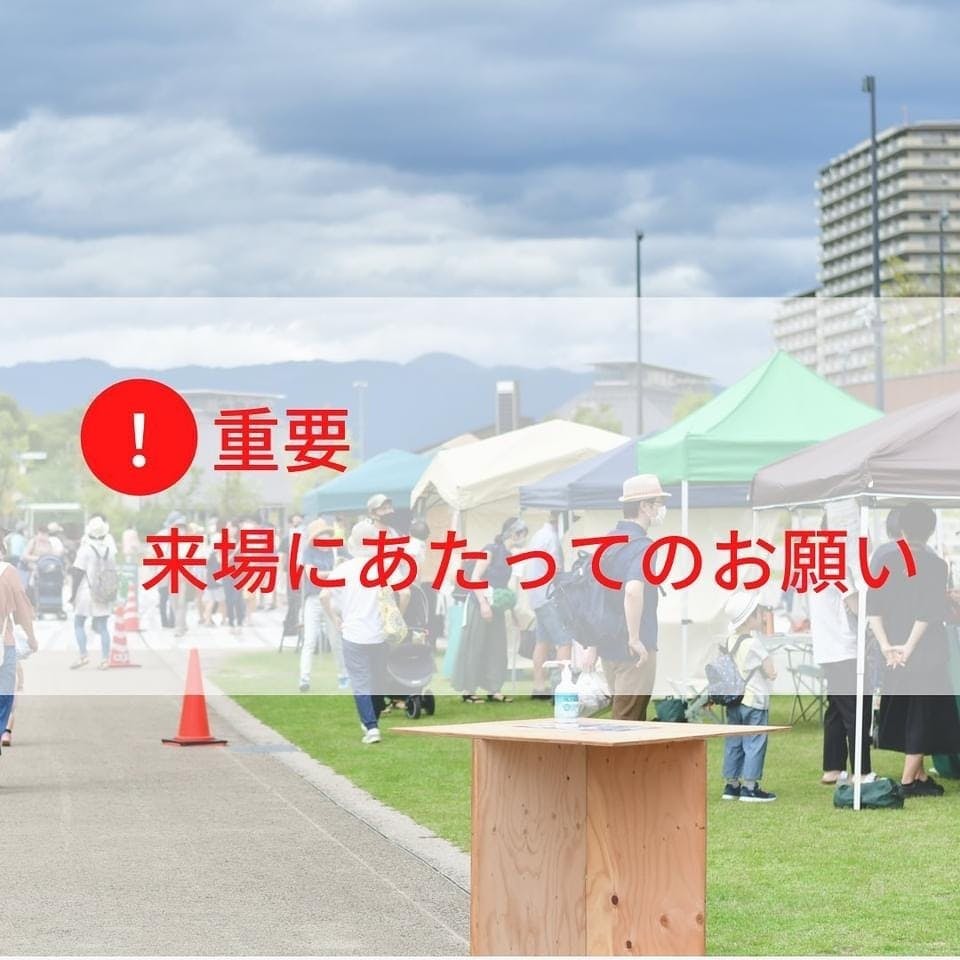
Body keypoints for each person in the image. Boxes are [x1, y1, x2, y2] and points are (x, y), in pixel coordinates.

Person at [868, 502, 960, 797]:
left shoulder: (885, 560)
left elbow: (873, 609)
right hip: (925, 650)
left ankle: (918, 775)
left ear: (902, 528)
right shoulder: (936, 565)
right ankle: (908, 781)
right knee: (924, 712)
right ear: (931, 530)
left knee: (909, 710)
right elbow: (927, 612)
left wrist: (886, 647)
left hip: (894, 649)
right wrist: (908, 648)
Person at [581, 474, 668, 722]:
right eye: (658, 503)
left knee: (624, 717)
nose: (661, 509)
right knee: (626, 723)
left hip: (608, 645)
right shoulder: (643, 546)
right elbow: (632, 590)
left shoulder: (608, 540)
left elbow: (595, 593)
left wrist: (593, 645)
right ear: (644, 506)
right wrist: (635, 638)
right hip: (634, 649)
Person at [810, 521, 874, 785]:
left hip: (828, 648)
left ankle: (833, 769)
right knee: (857, 711)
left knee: (837, 710)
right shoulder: (833, 562)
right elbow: (854, 603)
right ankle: (861, 771)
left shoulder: (814, 561)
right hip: (844, 649)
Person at [321, 520, 390, 744]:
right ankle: (373, 719)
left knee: (361, 682)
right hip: (379, 634)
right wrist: (394, 617)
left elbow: (324, 596)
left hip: (353, 633)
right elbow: (406, 593)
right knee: (378, 680)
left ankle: (371, 727)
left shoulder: (343, 569)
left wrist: (335, 618)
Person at [451, 516, 528, 703]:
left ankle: (494, 688)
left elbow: (503, 586)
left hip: (497, 606)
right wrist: (483, 604)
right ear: (511, 533)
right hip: (479, 603)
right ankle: (469, 690)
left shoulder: (509, 557)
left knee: (497, 647)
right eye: (520, 533)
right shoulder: (490, 550)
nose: (522, 538)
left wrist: (513, 612)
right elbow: (475, 578)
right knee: (475, 645)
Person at [719, 592, 777, 802]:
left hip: (734, 700)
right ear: (749, 618)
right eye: (758, 612)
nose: (761, 615)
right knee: (754, 742)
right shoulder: (754, 643)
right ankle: (750, 788)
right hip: (754, 701)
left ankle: (731, 785)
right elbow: (771, 671)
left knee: (734, 742)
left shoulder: (729, 641)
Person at [300, 516, 347, 692]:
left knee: (336, 640)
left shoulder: (337, 550)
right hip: (313, 598)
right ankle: (304, 678)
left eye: (326, 536)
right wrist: (335, 572)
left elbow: (350, 566)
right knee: (309, 640)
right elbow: (313, 575)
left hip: (332, 598)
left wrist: (335, 572)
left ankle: (343, 675)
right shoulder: (309, 552)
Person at [0, 542, 37, 761]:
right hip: (4, 644)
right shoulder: (7, 572)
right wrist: (31, 637)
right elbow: (22, 609)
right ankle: (3, 731)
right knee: (5, 694)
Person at [528, 511, 570, 698]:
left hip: (536, 596)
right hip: (549, 596)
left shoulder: (538, 535)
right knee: (564, 640)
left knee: (542, 641)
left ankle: (538, 686)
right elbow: (556, 569)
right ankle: (561, 686)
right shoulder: (551, 538)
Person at [70, 516, 118, 669]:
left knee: (79, 622)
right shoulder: (110, 551)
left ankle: (83, 655)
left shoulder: (85, 550)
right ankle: (105, 660)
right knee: (103, 627)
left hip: (86, 591)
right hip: (104, 592)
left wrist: (72, 595)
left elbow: (77, 573)